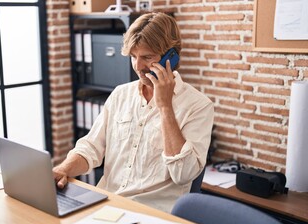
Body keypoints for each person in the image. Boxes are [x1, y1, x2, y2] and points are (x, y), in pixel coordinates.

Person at [53, 12, 214, 213]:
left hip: (153, 215)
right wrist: (63, 169)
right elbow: (91, 147)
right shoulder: (121, 94)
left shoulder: (199, 106)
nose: (138, 67)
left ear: (171, 57)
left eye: (147, 57)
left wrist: (165, 107)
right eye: (133, 57)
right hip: (106, 205)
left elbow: (184, 173)